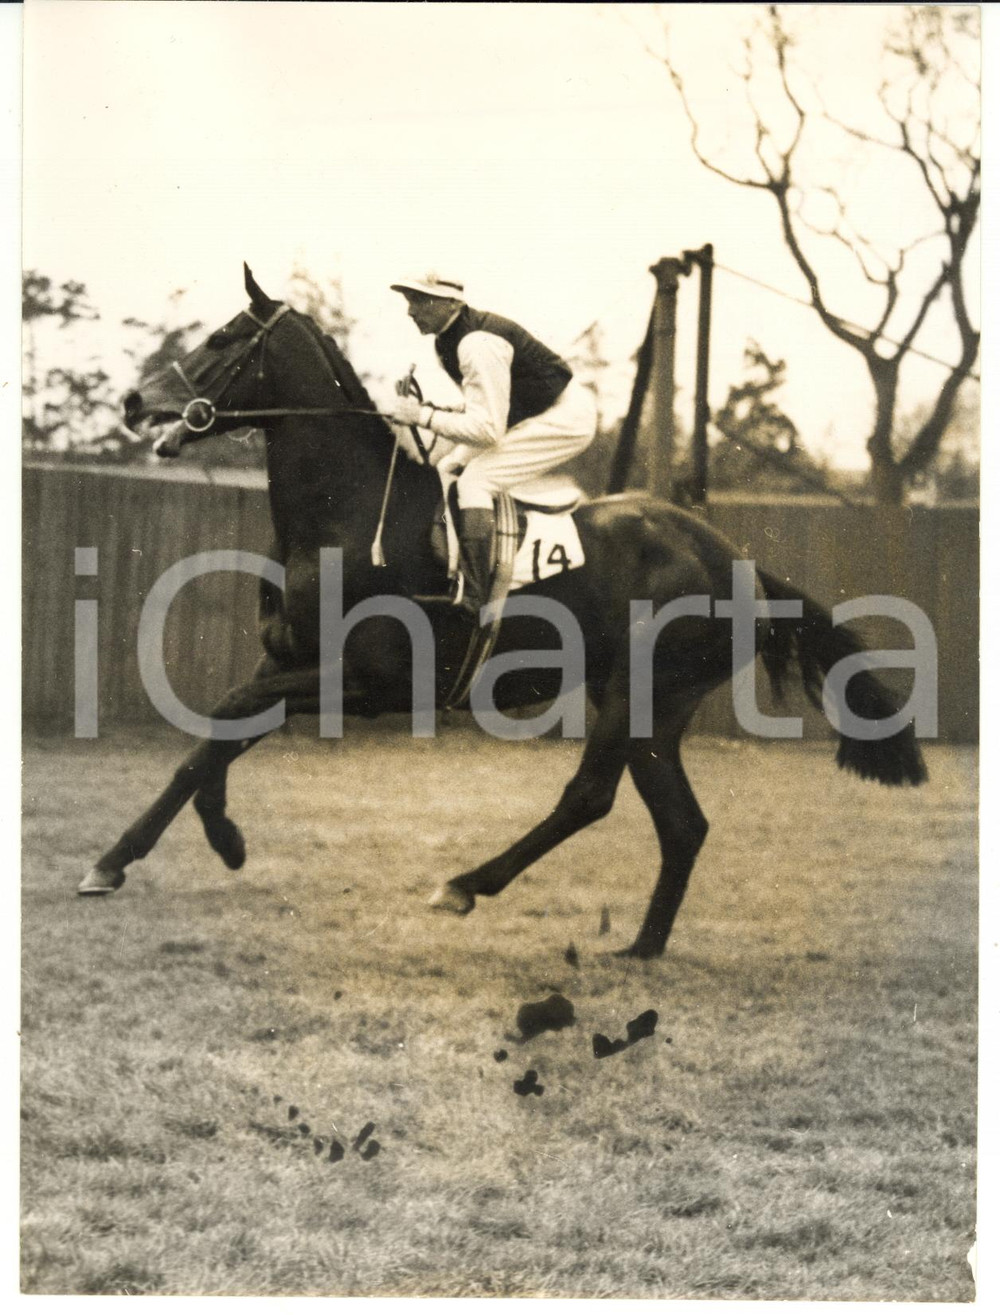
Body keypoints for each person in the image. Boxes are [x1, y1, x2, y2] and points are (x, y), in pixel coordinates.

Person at [386, 273, 597, 613]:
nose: (411, 310)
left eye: (421, 301)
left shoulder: (476, 343)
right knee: (447, 465)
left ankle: (478, 593)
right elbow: (485, 409)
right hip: (530, 413)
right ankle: (457, 567)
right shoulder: (446, 341)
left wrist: (422, 415)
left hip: (565, 416)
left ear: (452, 303)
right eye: (410, 300)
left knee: (475, 481)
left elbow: (487, 430)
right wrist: (432, 412)